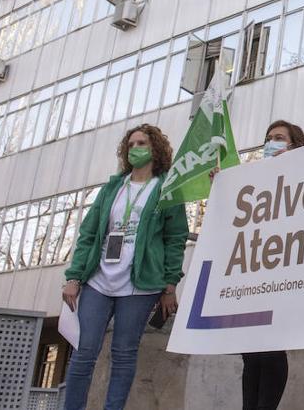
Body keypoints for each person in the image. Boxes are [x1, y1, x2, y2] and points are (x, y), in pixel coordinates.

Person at [61, 124, 187, 410]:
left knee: (124, 353)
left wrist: (170, 285)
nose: (134, 149)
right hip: (98, 280)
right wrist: (74, 277)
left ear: (155, 149)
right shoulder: (112, 188)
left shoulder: (167, 189)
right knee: (84, 351)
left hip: (140, 284)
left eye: (141, 143)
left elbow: (175, 239)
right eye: (130, 145)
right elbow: (89, 234)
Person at [239, 120, 304, 410]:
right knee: (251, 353)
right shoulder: (256, 179)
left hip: (285, 271)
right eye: (268, 138)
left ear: (293, 145)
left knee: (270, 348)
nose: (271, 143)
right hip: (255, 271)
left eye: (278, 138)